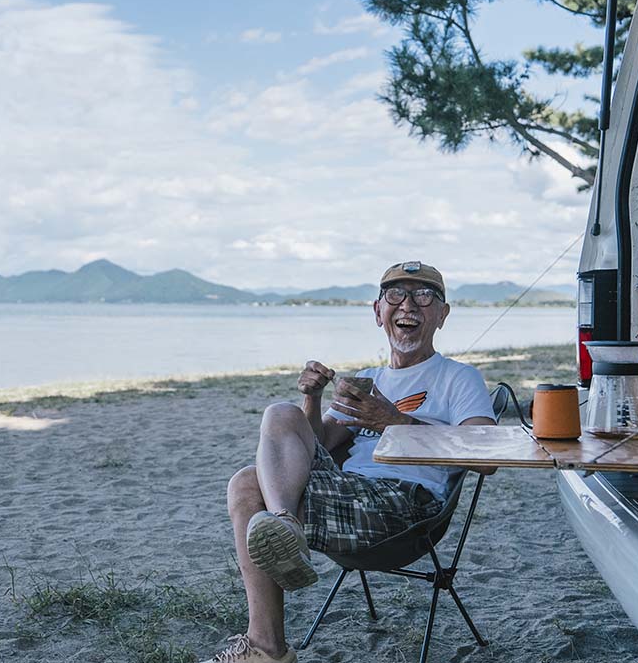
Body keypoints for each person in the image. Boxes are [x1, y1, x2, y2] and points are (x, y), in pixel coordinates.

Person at [200, 261, 496, 663]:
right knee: (277, 420)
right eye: (396, 295)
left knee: (249, 488)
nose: (408, 304)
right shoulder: (366, 380)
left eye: (423, 296)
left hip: (407, 507)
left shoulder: (460, 378)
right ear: (378, 312)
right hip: (348, 493)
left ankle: (267, 645)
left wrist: (397, 422)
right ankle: (284, 527)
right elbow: (314, 444)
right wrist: (312, 398)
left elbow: (485, 456)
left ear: (442, 315)